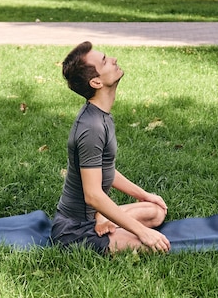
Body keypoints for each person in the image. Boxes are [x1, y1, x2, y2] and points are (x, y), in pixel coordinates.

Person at [51, 41, 171, 254]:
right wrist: (143, 232)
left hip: (92, 216)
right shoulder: (91, 127)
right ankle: (103, 221)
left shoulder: (101, 115)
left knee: (156, 212)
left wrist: (144, 195)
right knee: (154, 245)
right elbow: (93, 195)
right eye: (105, 61)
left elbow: (105, 170)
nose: (113, 59)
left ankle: (103, 218)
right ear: (96, 82)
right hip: (74, 231)